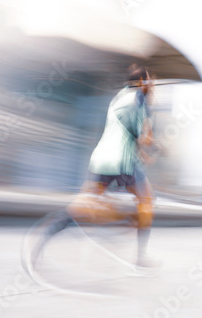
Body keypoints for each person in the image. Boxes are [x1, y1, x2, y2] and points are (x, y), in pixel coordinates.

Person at [67, 65, 158, 269]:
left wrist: (142, 151)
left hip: (100, 158)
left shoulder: (118, 97)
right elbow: (143, 137)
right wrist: (152, 145)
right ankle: (140, 256)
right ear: (142, 82)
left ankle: (55, 226)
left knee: (87, 201)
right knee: (147, 200)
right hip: (122, 162)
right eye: (150, 80)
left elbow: (124, 131)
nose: (151, 84)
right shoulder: (140, 99)